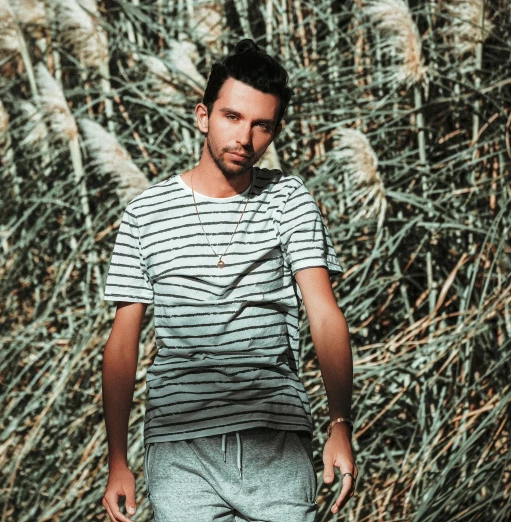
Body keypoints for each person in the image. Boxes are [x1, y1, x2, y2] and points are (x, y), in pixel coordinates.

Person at [100, 38, 357, 522]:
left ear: (274, 132)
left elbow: (324, 313)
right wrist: (118, 459)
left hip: (275, 439)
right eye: (232, 117)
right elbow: (122, 342)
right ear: (204, 116)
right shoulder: (144, 214)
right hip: (181, 446)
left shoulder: (289, 200)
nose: (245, 137)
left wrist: (340, 424)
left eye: (262, 125)